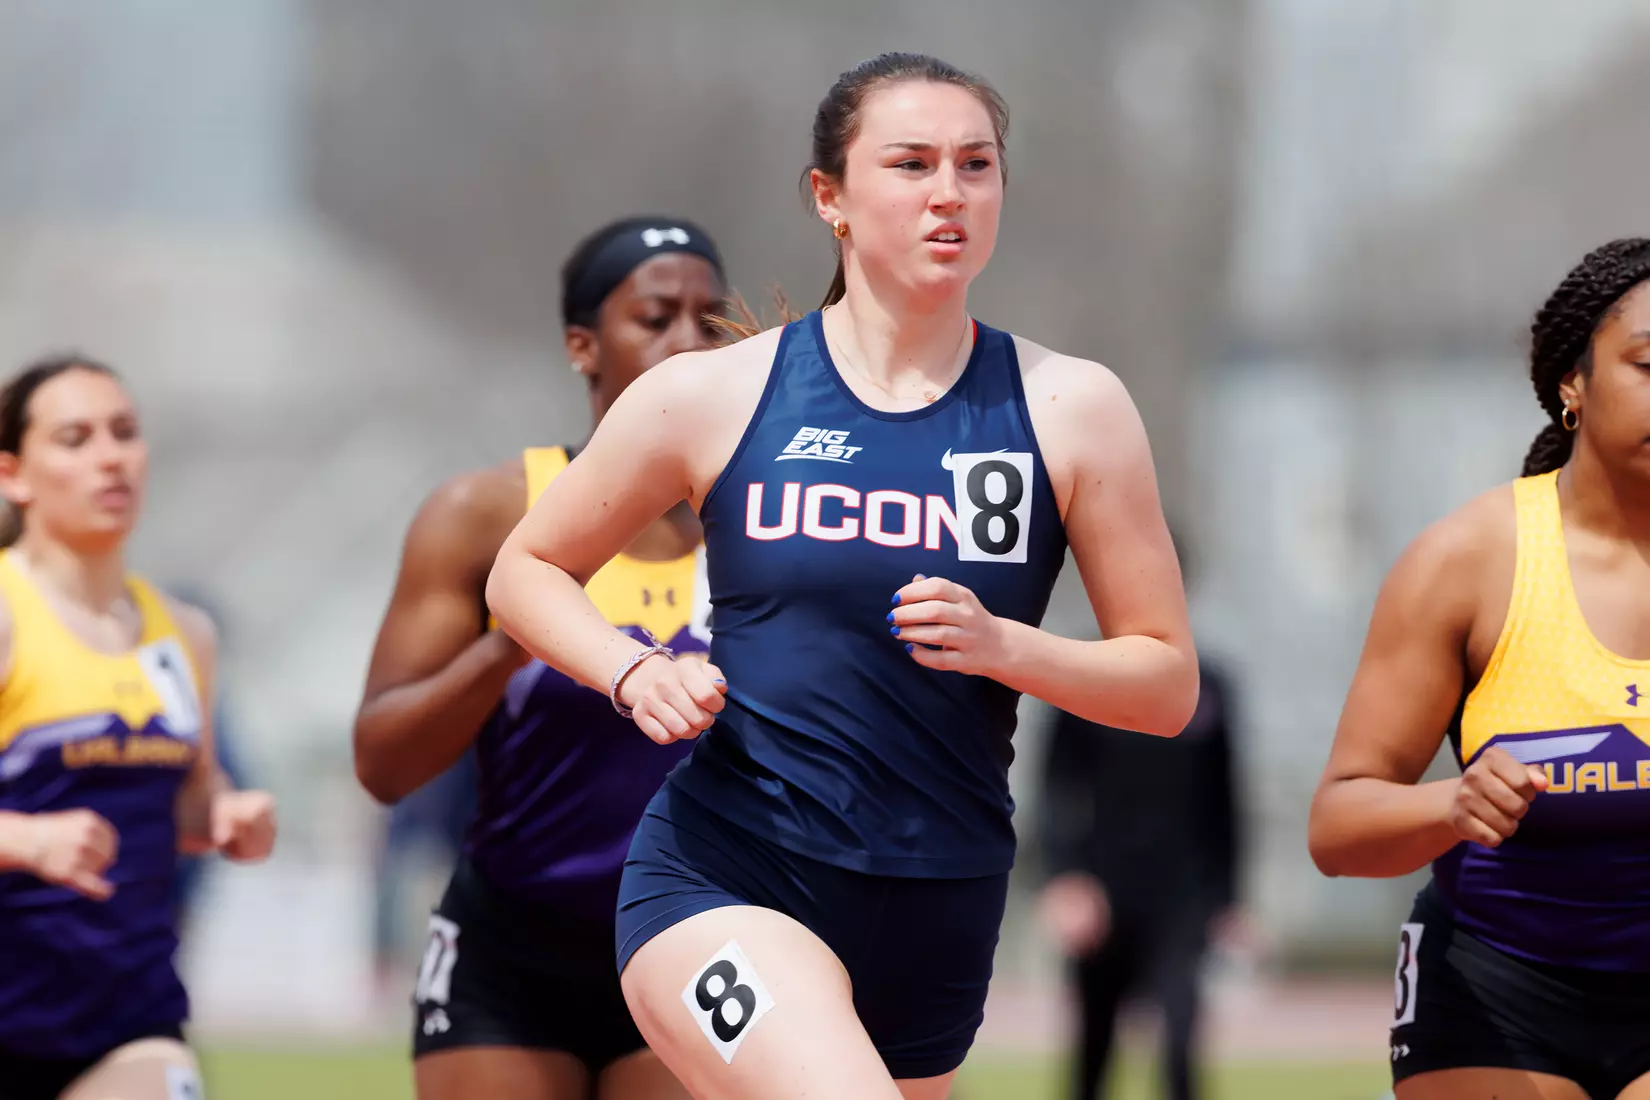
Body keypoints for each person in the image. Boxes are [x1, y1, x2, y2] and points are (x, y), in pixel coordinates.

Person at [486, 52, 1198, 1100]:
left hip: (940, 898)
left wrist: (1011, 646)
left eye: (976, 165)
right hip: (731, 872)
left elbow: (1165, 680)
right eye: (910, 164)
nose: (948, 192)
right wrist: (631, 670)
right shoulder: (719, 393)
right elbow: (524, 570)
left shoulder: (1072, 406)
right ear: (831, 197)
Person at [352, 214, 727, 1100]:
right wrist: (511, 644)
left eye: (710, 322)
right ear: (581, 345)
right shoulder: (487, 516)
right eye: (655, 316)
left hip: (700, 937)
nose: (687, 344)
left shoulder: (762, 524)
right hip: (510, 949)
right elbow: (382, 763)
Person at [1308, 237, 1650, 1100]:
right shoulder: (1467, 563)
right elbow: (1338, 827)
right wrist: (1450, 805)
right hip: (1496, 985)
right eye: (1649, 365)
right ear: (1574, 382)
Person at [0, 355, 277, 1100]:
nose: (109, 456)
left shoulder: (185, 634)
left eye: (124, 432)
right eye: (75, 438)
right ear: (13, 475)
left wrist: (224, 814)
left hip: (126, 1014)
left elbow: (190, 799)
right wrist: (27, 840)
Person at [1037, 532, 1243, 1100]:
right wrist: (1065, 879)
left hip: (1184, 896)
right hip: (1103, 892)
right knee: (1093, 1053)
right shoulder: (1080, 668)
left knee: (1180, 1049)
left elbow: (1226, 801)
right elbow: (1055, 788)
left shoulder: (1212, 685)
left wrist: (1230, 899)